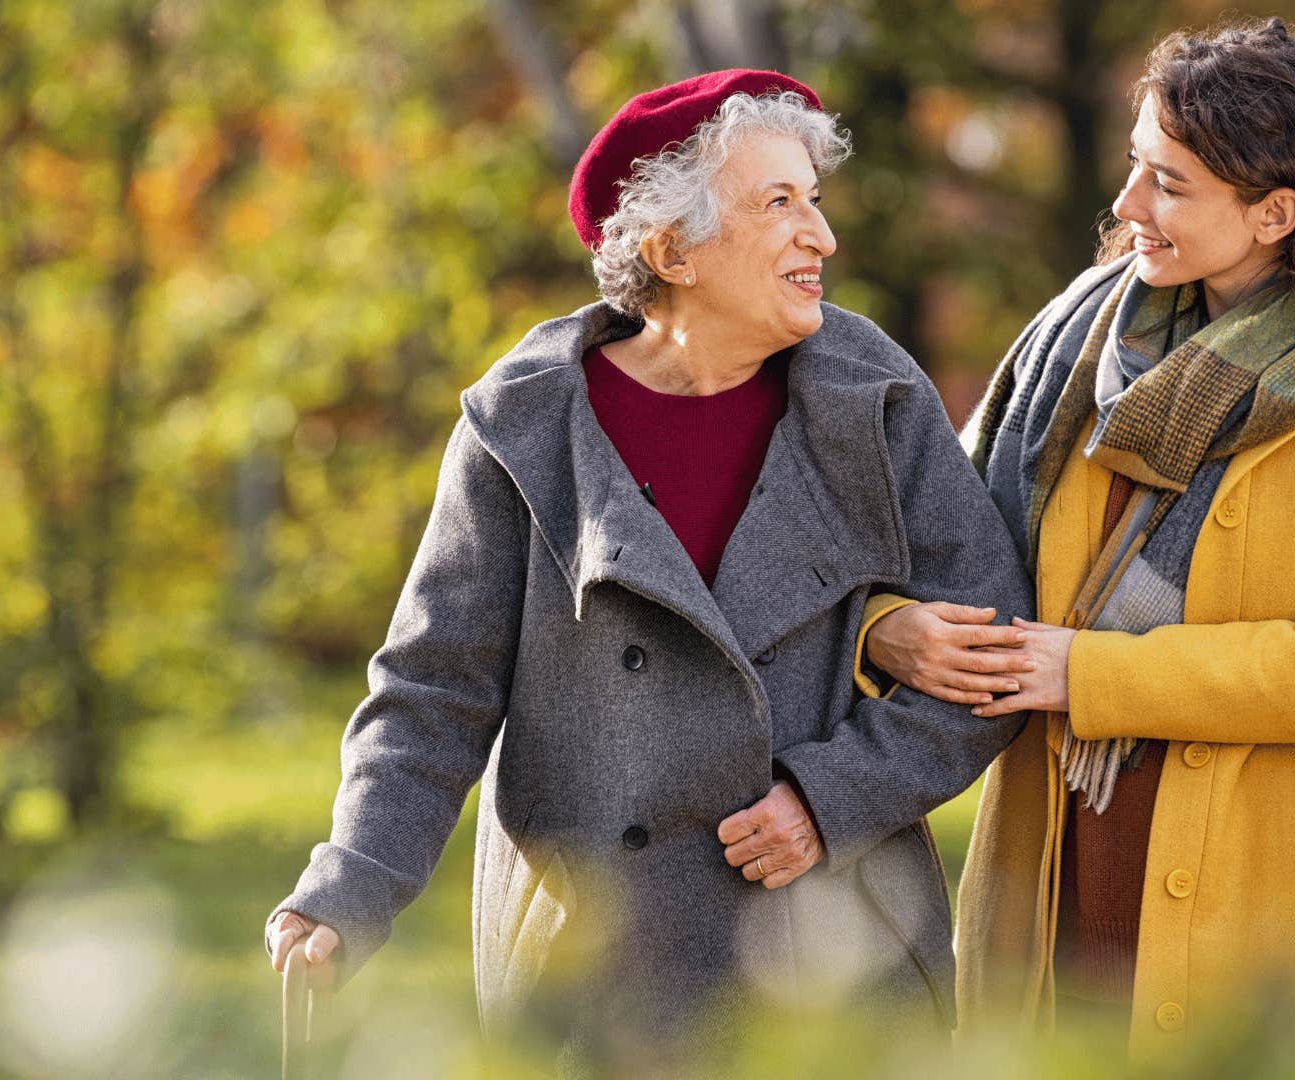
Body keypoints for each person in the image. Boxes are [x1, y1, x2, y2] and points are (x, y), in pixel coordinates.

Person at [262, 69, 1033, 1068]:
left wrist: (830, 797)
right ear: (671, 250)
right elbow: (432, 691)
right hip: (597, 967)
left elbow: (995, 651)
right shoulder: (526, 428)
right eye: (779, 203)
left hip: (837, 960)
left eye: (815, 198)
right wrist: (349, 885)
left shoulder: (874, 396)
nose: (822, 237)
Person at [859, 18, 1295, 1054]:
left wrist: (1095, 675)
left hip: (1277, 919)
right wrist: (890, 630)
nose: (1125, 208)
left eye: (1169, 183)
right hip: (1054, 888)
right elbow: (923, 546)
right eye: (1133, 168)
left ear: (1274, 212)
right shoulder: (1075, 351)